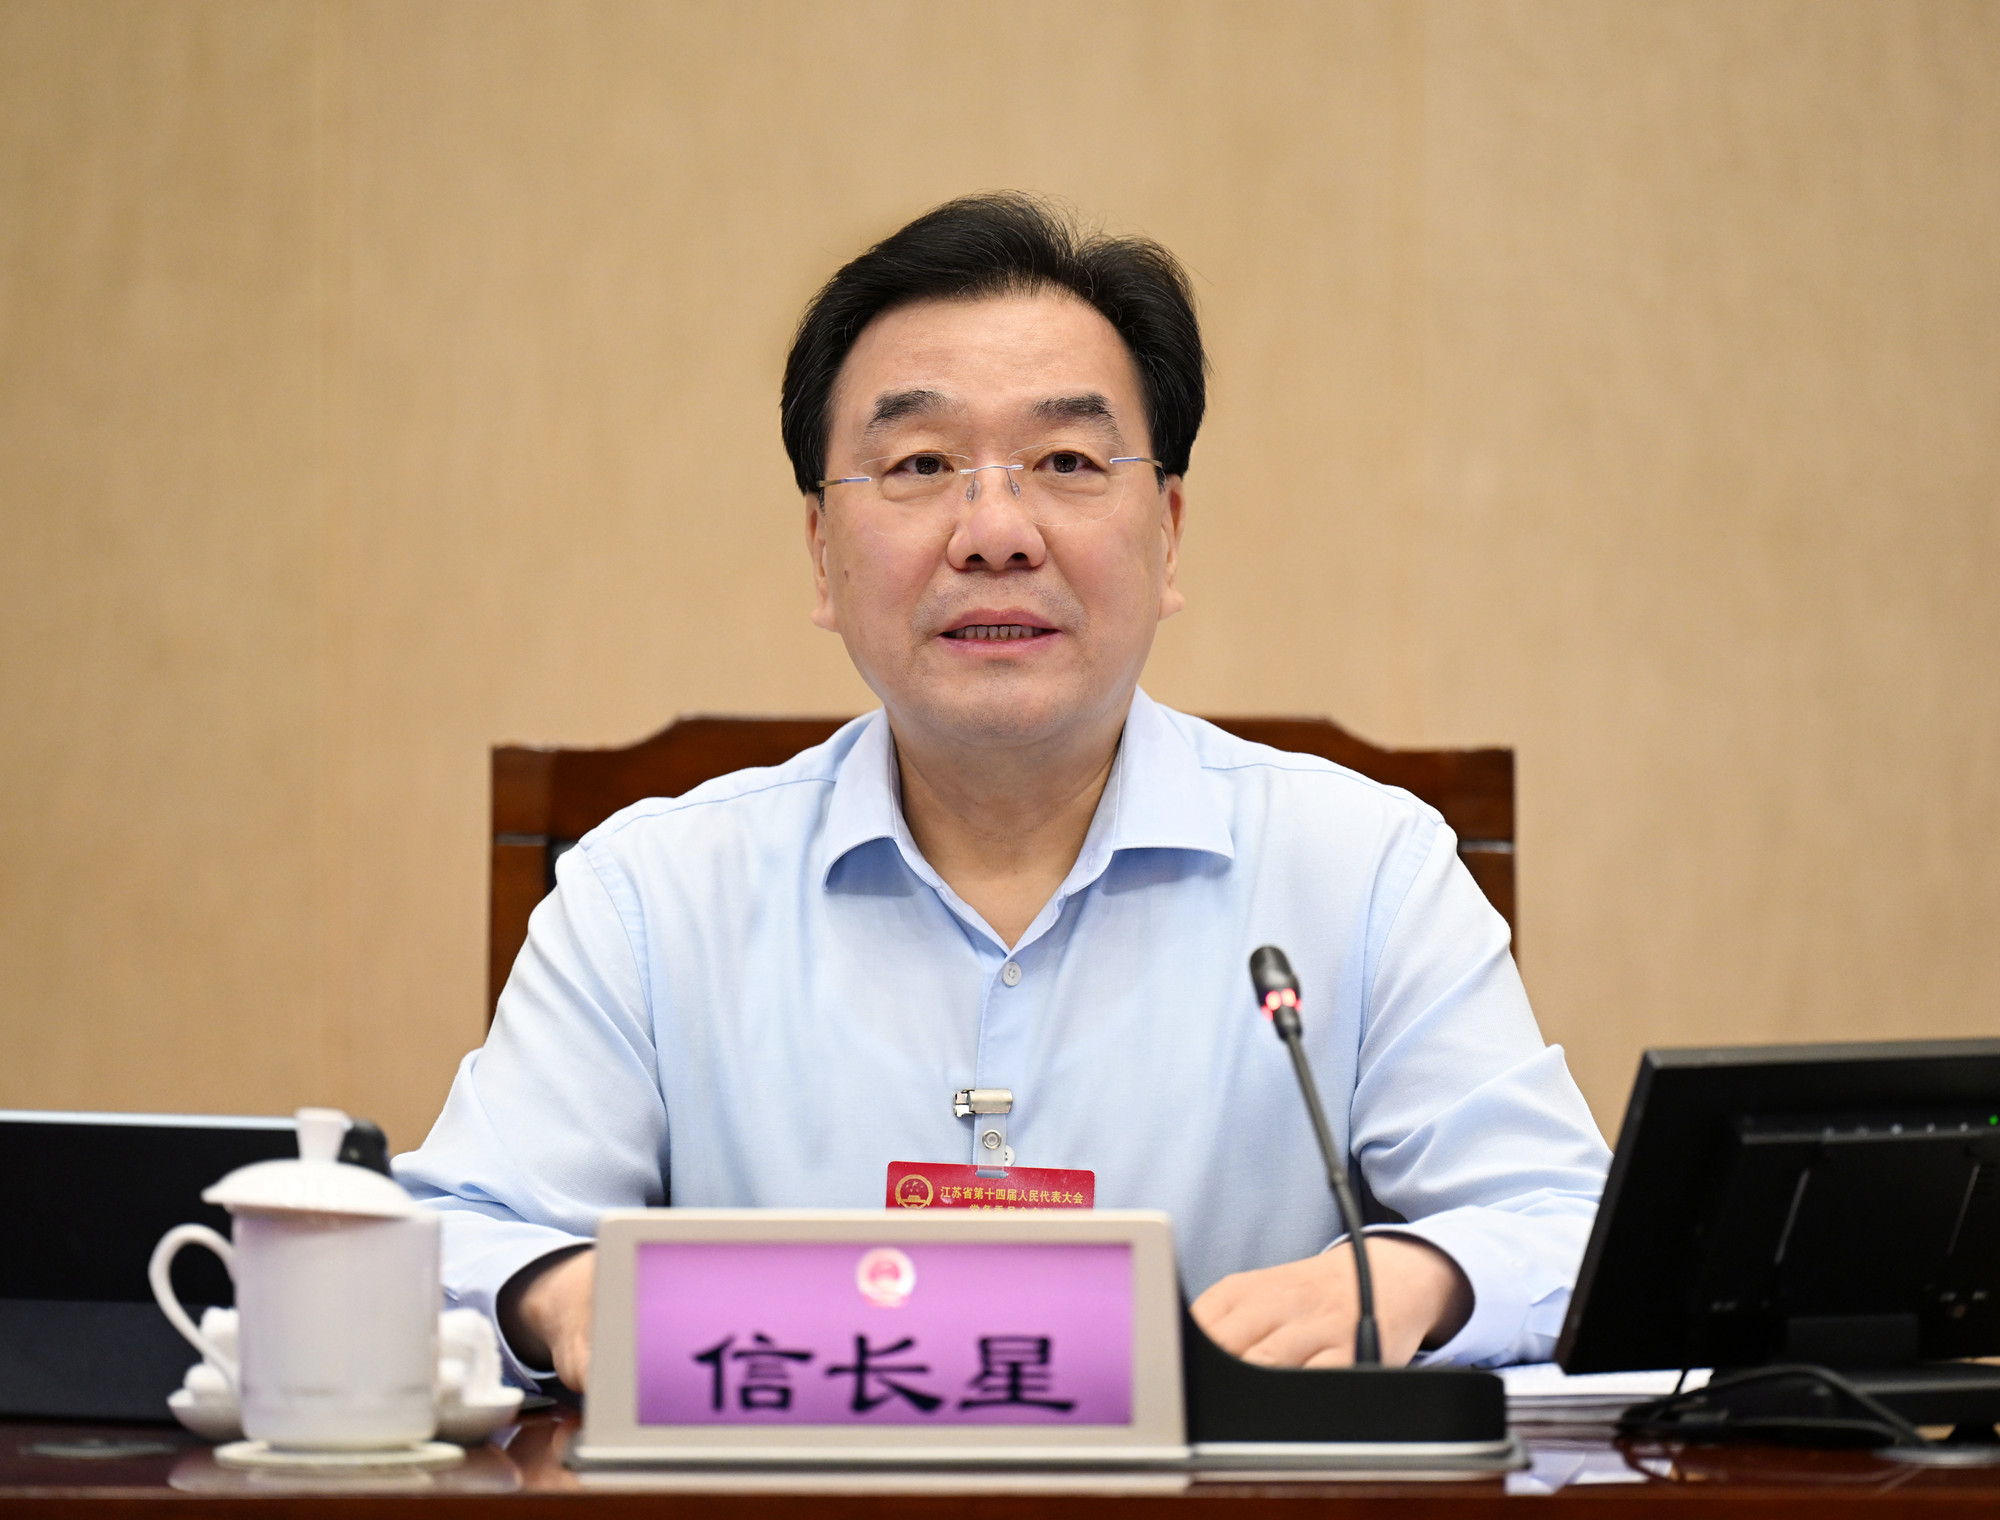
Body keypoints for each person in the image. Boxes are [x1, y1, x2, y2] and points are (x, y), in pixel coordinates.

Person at [395, 193, 1611, 1393]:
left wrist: (1406, 1275)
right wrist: (564, 1294)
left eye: (1066, 461)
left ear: (1167, 532)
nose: (994, 530)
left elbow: (1568, 1226)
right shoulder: (650, 896)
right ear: (820, 553)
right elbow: (447, 1235)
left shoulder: (1362, 871)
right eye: (920, 464)